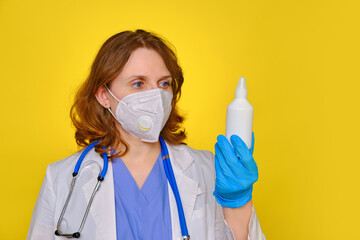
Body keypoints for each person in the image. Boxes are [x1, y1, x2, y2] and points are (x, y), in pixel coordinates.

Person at [27, 29, 266, 240]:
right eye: (138, 84)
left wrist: (238, 202)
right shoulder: (62, 177)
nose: (156, 96)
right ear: (104, 95)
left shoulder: (210, 170)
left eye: (164, 84)